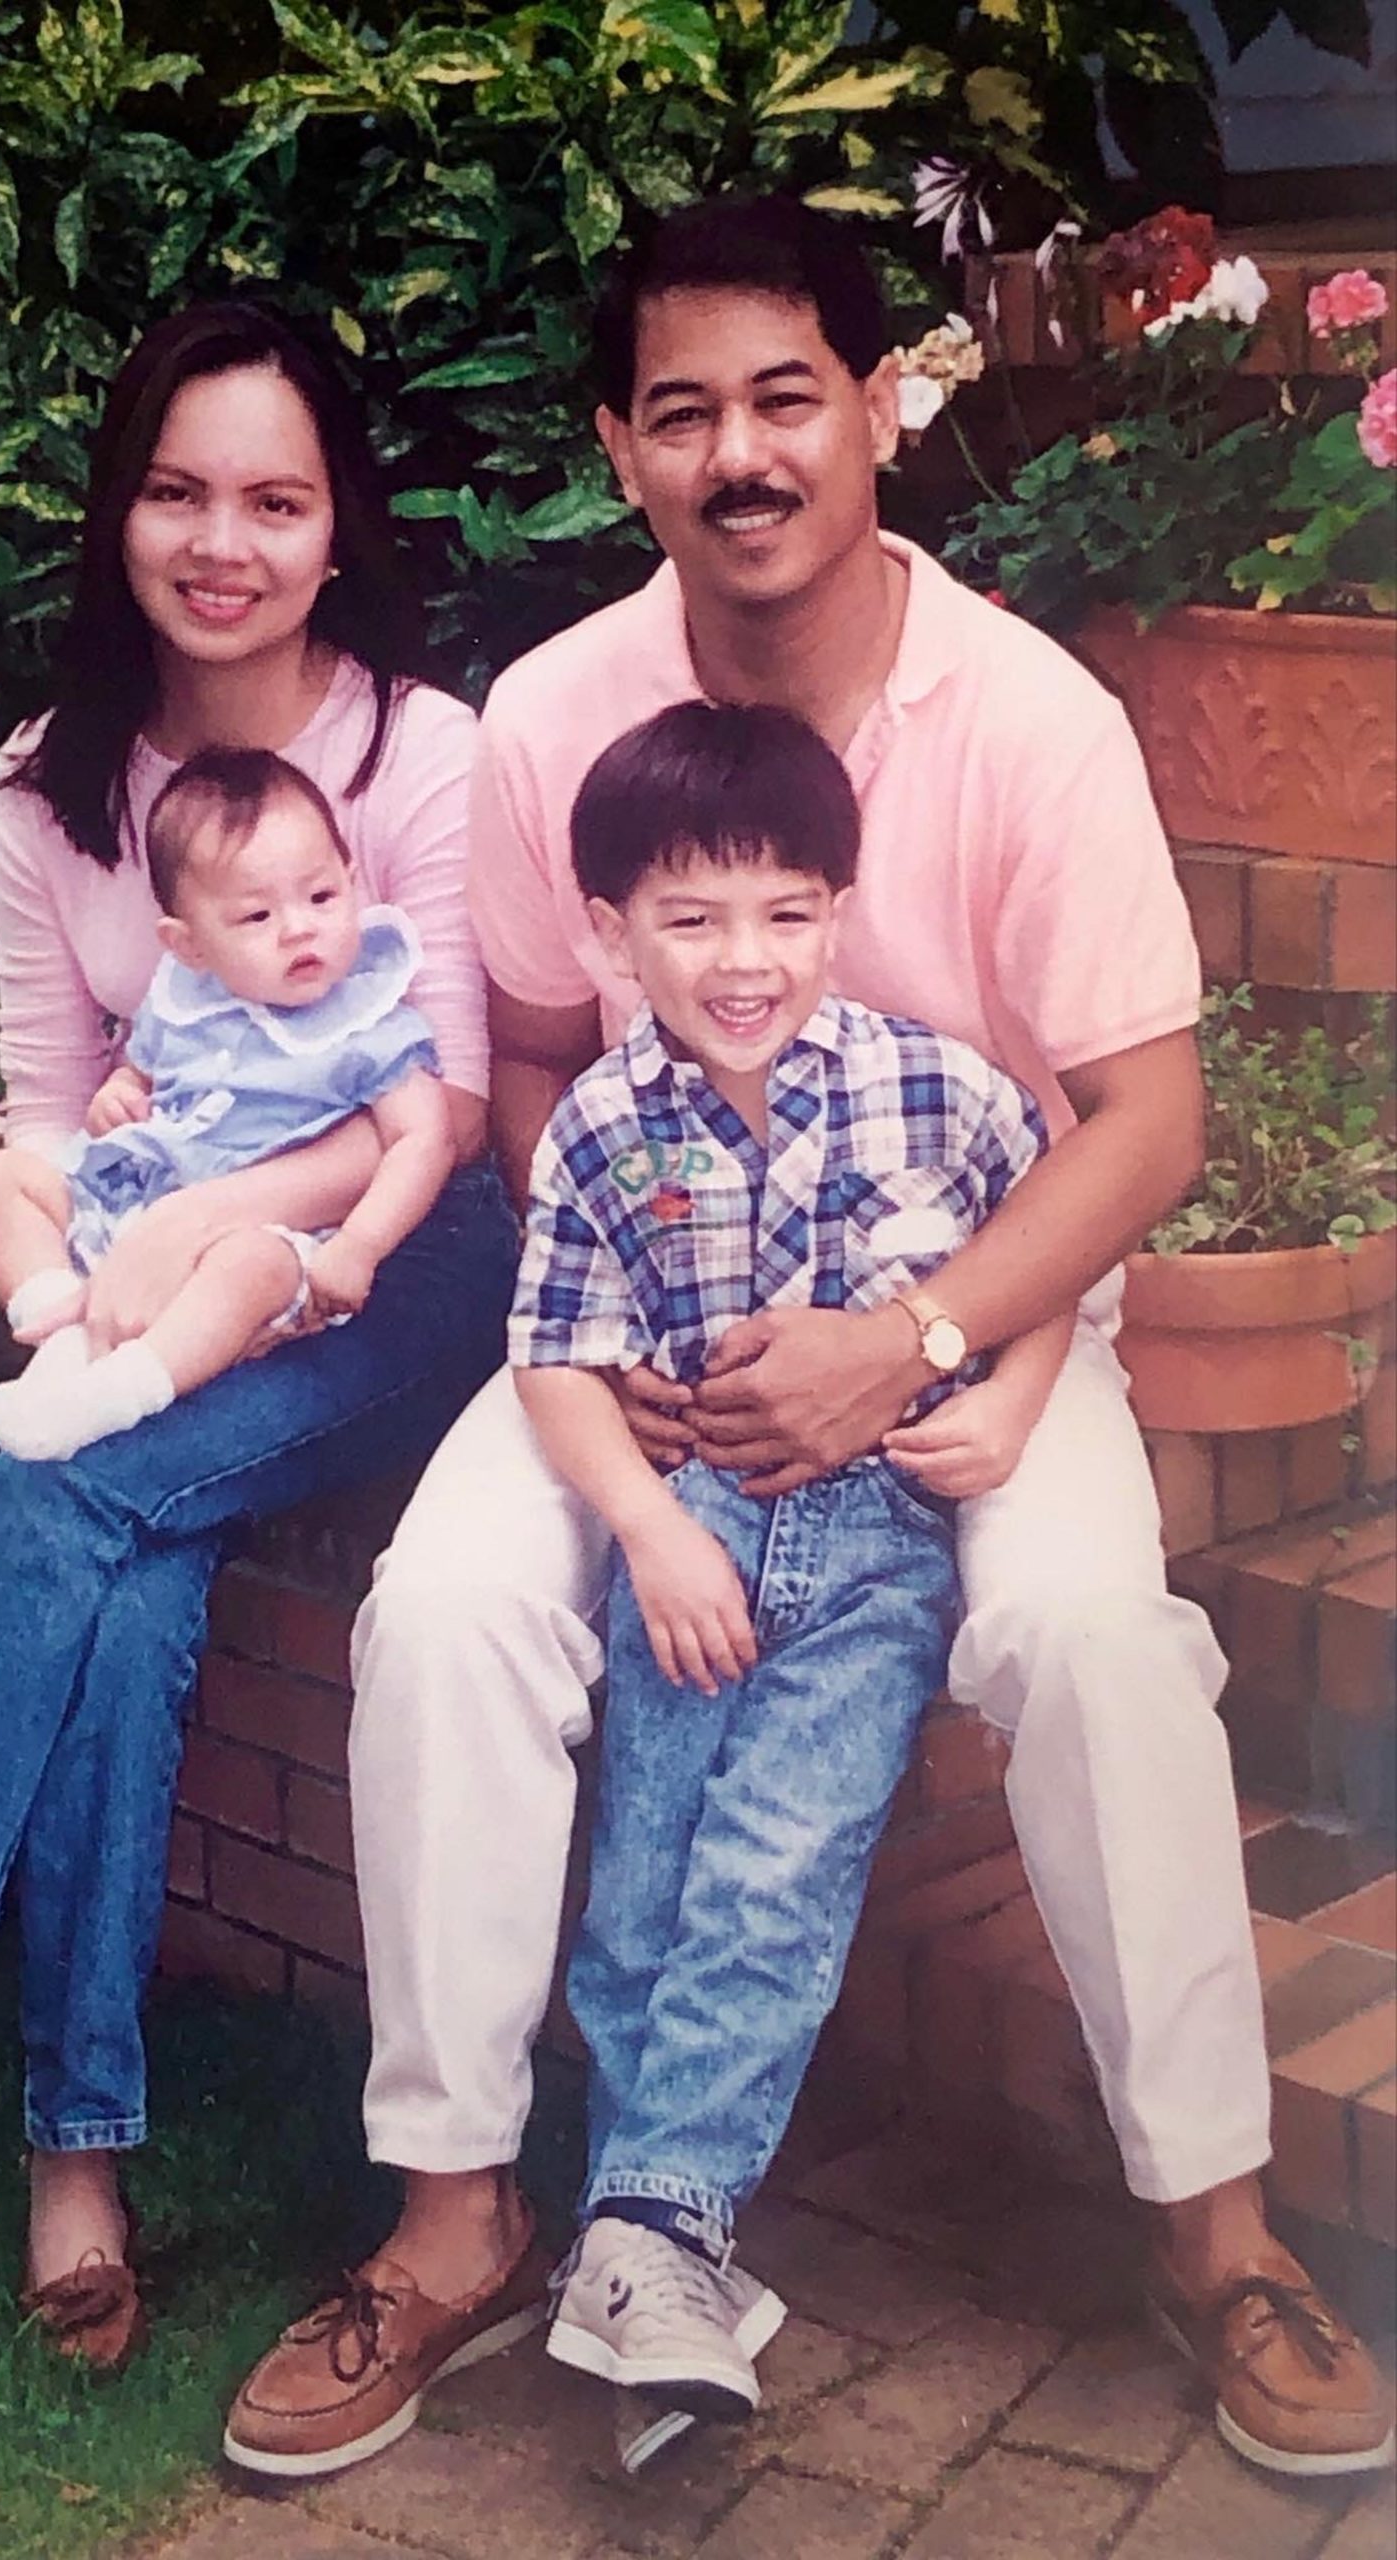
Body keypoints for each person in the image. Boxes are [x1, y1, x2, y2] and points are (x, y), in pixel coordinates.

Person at [230, 195, 1394, 2481]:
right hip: (646, 1330)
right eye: (683, 412)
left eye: (785, 398)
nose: (738, 453)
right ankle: (453, 2212)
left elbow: (1140, 1112)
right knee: (451, 1604)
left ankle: (1215, 2220)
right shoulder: (563, 712)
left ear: (876, 407)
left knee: (1080, 1630)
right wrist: (655, 1320)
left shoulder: (1021, 713)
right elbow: (548, 1062)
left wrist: (925, 1339)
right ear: (619, 447)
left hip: (979, 1319)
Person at [0, 298, 518, 2373]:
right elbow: (53, 1105)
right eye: (176, 488)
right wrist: (62, 1256)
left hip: (387, 1270)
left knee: (43, 1497)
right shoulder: (46, 785)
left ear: (339, 531)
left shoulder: (422, 754)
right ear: (118, 511)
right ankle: (79, 2153)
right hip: (156, 1280)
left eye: (272, 496)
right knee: (107, 1551)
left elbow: (438, 1101)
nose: (219, 537)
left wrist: (219, 1224)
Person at [509, 700, 1066, 2452]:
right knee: (642, 1888)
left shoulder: (939, 1086)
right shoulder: (599, 1129)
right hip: (697, 1538)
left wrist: (1011, 1409)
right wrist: (653, 1534)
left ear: (835, 902)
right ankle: (651, 2265)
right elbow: (554, 1360)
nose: (739, 959)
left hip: (876, 1544)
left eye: (780, 910)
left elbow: (1052, 1262)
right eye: (686, 919)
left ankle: (645, 2231)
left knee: (770, 1872)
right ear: (607, 933)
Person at [0, 747, 452, 1463]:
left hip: (273, 1235)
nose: (298, 928)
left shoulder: (369, 1022)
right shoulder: (188, 996)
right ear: (187, 945)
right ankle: (63, 1329)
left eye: (321, 898)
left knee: (247, 1265)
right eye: (255, 915)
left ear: (352, 883)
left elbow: (425, 1139)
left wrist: (361, 1244)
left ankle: (120, 1391)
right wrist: (120, 1092)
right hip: (134, 1203)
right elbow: (138, 1068)